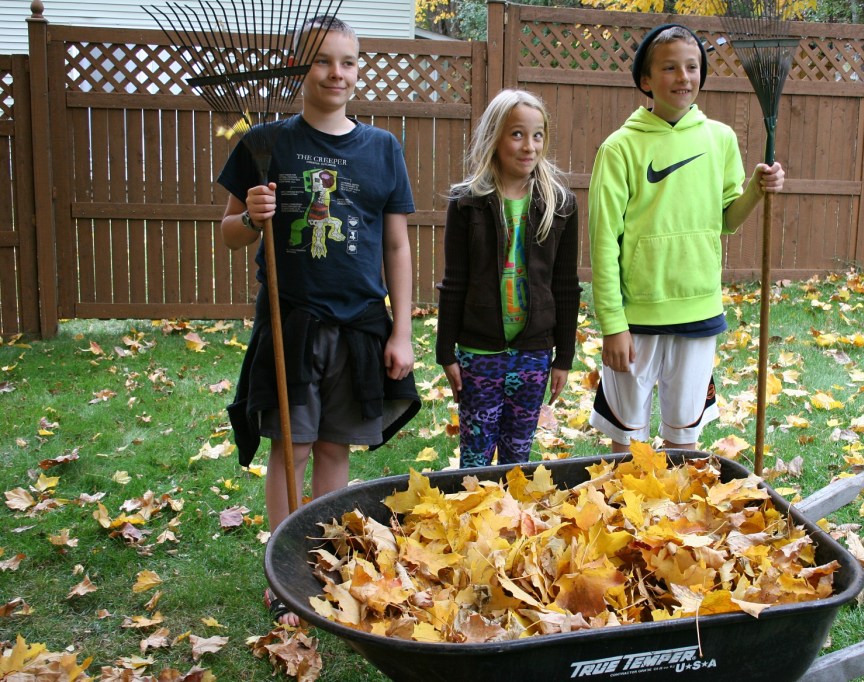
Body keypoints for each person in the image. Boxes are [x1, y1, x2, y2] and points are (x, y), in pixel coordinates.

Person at [219, 16, 420, 626]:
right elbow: (227, 232)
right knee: (293, 445)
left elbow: (397, 246)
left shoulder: (382, 148)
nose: (337, 73)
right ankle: (285, 570)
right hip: (292, 321)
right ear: (298, 68)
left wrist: (401, 330)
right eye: (323, 61)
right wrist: (251, 216)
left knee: (335, 444)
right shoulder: (265, 143)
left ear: (358, 69)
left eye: (348, 61)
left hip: (360, 322)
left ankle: (320, 559)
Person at [588, 24, 785, 454]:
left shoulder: (720, 139)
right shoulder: (619, 148)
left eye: (692, 67)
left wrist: (756, 189)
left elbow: (727, 220)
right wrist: (613, 324)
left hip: (699, 310)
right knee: (627, 441)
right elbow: (603, 244)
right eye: (670, 68)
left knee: (684, 440)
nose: (683, 77)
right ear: (646, 80)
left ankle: (678, 501)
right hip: (637, 318)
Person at [436, 89, 581, 468]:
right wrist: (445, 351)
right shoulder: (467, 202)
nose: (529, 146)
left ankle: (512, 507)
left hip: (534, 352)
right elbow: (454, 281)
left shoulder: (559, 204)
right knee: (476, 455)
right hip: (479, 352)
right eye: (517, 134)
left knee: (518, 455)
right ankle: (474, 505)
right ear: (494, 138)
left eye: (537, 135)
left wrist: (564, 357)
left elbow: (566, 286)